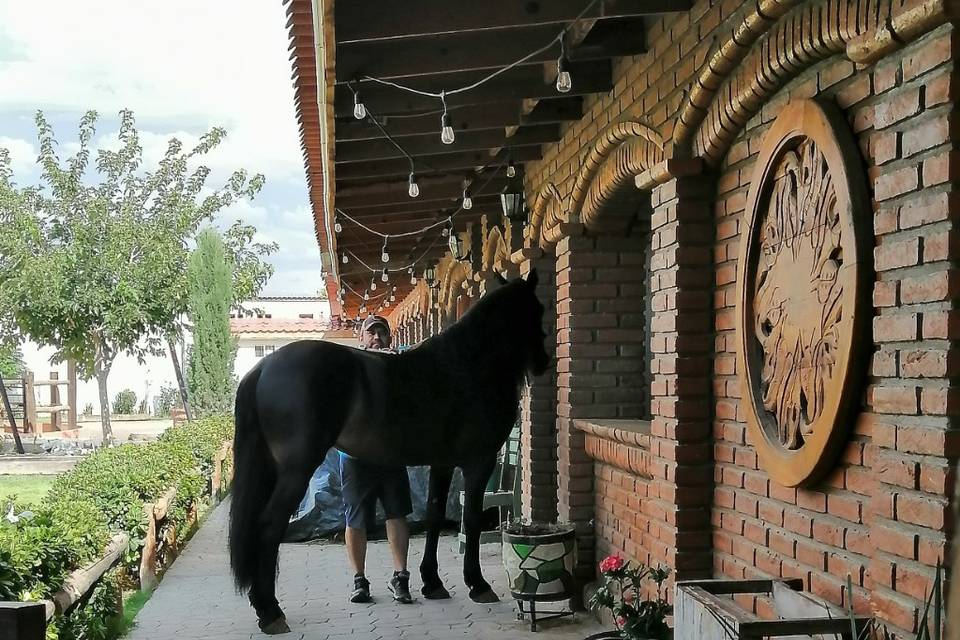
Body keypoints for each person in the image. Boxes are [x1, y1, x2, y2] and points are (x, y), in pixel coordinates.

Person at [340, 314, 414, 604]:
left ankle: (401, 578)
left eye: (382, 333)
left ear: (390, 338)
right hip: (355, 455)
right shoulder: (351, 367)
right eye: (371, 333)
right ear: (361, 339)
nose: (377, 338)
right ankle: (359, 581)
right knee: (355, 518)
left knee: (397, 513)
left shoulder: (400, 366)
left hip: (392, 452)